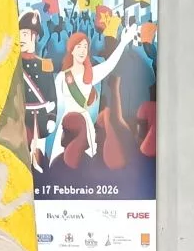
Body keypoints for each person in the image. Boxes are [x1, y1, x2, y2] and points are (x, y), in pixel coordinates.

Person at [50, 26, 136, 165]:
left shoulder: (91, 74)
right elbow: (56, 105)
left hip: (84, 124)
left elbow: (109, 65)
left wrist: (123, 42)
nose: (82, 50)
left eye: (85, 47)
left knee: (85, 163)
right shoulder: (61, 77)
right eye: (79, 47)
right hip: (66, 125)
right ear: (72, 50)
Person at [19, 10, 57, 167]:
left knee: (40, 161)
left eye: (25, 34)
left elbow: (52, 95)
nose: (21, 38)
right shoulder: (15, 66)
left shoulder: (45, 64)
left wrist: (52, 118)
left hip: (40, 119)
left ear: (34, 36)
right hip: (22, 120)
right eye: (19, 34)